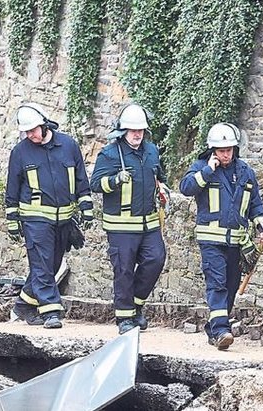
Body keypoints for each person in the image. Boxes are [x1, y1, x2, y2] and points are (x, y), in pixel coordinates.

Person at [179, 122, 263, 350]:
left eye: (229, 150)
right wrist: (207, 171)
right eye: (221, 151)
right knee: (217, 283)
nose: (226, 154)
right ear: (213, 150)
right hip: (211, 241)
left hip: (236, 242)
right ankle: (221, 330)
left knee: (230, 286)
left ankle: (214, 329)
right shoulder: (201, 166)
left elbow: (255, 204)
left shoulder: (245, 172)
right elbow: (186, 188)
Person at [5, 103, 93, 329]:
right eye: (26, 132)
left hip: (64, 219)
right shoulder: (20, 152)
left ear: (44, 125)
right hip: (35, 220)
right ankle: (51, 311)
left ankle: (23, 305)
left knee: (51, 266)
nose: (30, 135)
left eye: (33, 130)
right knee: (42, 265)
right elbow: (12, 188)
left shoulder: (69, 145)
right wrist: (12, 219)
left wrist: (86, 208)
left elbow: (81, 179)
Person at [90, 104, 169, 334]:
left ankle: (135, 305)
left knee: (156, 259)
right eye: (133, 130)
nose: (137, 134)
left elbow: (159, 176)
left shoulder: (152, 151)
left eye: (141, 130)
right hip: (120, 225)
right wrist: (114, 180)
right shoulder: (109, 154)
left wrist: (163, 188)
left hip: (149, 223)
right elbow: (95, 184)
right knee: (124, 269)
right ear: (123, 131)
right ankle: (124, 317)